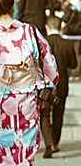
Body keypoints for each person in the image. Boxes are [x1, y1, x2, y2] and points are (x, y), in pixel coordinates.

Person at [0, 0, 59, 165]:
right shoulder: (30, 32)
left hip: (0, 102)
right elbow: (49, 60)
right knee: (25, 152)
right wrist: (48, 85)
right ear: (13, 7)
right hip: (27, 100)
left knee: (2, 151)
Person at [40, 15, 77, 158]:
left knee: (44, 115)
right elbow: (73, 65)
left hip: (44, 85)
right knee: (58, 115)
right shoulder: (67, 44)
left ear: (47, 27)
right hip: (62, 85)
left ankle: (49, 143)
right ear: (61, 27)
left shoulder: (42, 42)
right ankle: (55, 141)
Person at [61, 0, 81, 80]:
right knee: (78, 54)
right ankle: (77, 72)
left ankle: (70, 72)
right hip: (79, 33)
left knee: (69, 53)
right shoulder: (80, 5)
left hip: (69, 33)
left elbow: (65, 19)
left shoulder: (69, 7)